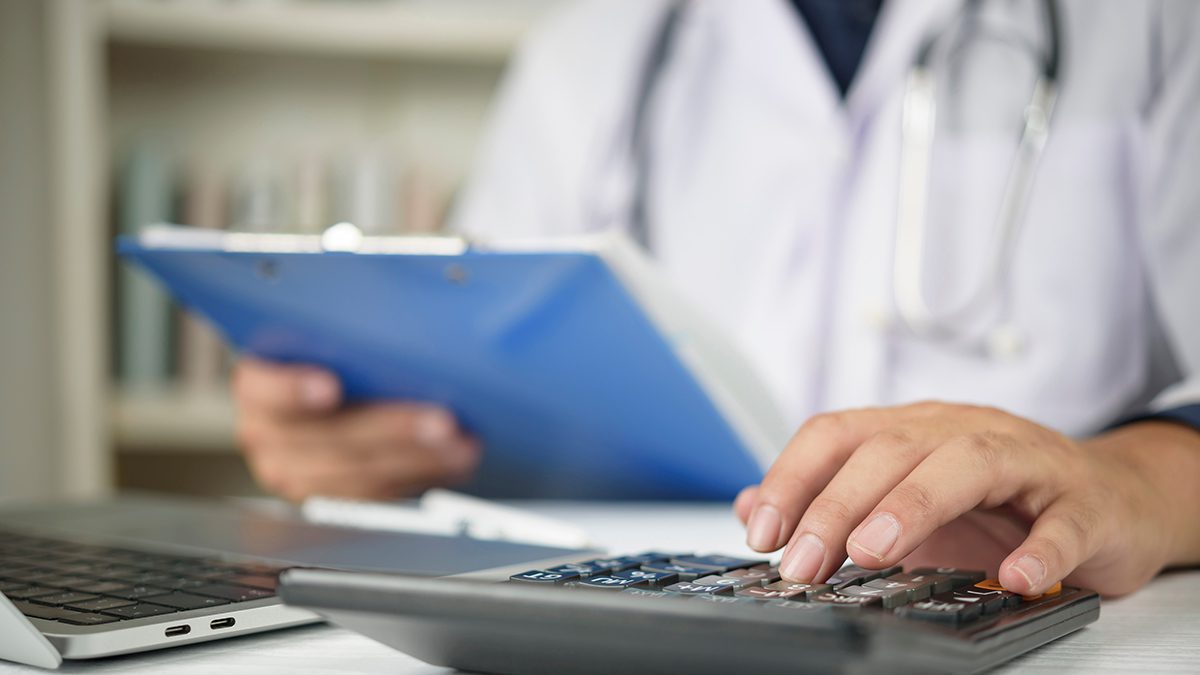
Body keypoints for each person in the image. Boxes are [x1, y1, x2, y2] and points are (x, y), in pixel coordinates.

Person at [233, 0, 1200, 598]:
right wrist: (369, 430)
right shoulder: (597, 46)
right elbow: (487, 359)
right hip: (663, 615)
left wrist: (1139, 482)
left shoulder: (1156, 23)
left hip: (1042, 613)